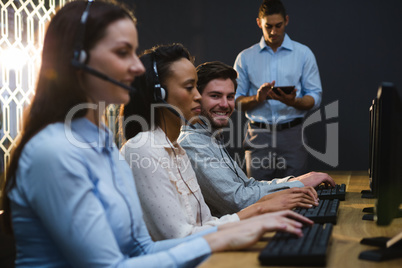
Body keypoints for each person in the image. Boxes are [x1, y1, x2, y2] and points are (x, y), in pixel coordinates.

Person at [0, 1, 312, 267]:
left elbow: (142, 250)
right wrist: (227, 234)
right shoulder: (53, 151)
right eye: (123, 52)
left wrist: (238, 228)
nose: (138, 68)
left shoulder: (103, 147)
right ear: (79, 60)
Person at [120, 43, 313, 242]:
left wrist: (267, 210)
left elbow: (205, 221)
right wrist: (261, 209)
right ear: (158, 94)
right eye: (190, 88)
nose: (197, 96)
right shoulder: (144, 148)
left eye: (196, 87)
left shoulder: (177, 149)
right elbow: (180, 239)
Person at [179, 61, 335, 217]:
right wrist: (299, 185)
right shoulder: (193, 143)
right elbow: (238, 201)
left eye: (231, 96)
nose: (225, 104)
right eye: (215, 96)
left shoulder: (209, 136)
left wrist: (297, 180)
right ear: (196, 98)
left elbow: (247, 185)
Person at [234, 0, 322, 180]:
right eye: (268, 26)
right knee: (257, 196)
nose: (274, 31)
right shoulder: (245, 58)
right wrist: (258, 99)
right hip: (258, 136)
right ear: (259, 23)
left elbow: (315, 97)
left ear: (287, 21)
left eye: (278, 25)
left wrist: (293, 102)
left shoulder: (303, 54)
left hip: (292, 136)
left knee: (297, 194)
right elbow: (235, 102)